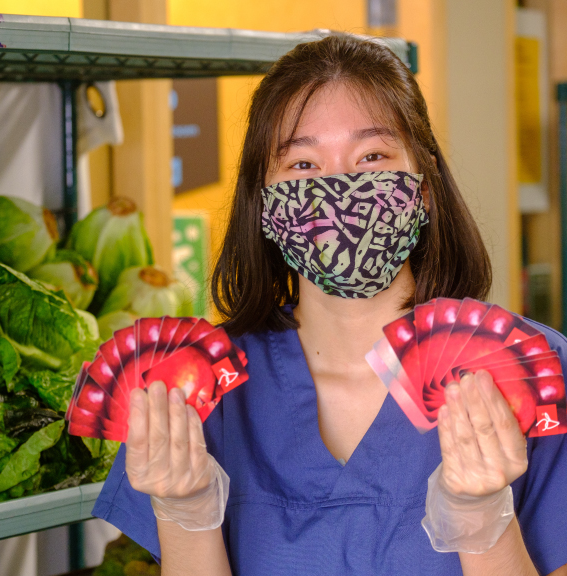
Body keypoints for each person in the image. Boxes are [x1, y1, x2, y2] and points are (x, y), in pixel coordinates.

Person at [92, 34, 567, 575]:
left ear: (424, 186)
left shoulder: (537, 373)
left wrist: (484, 520)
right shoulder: (201, 394)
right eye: (302, 165)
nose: (340, 187)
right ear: (265, 204)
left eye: (371, 156)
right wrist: (183, 514)